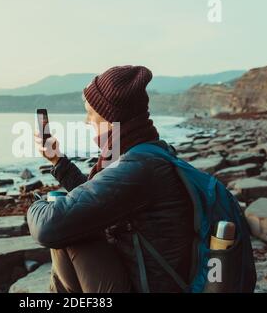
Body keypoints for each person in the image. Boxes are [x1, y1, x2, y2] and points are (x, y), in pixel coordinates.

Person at [27, 65, 194, 293]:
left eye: (90, 113)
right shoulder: (147, 152)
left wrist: (36, 204)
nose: (86, 122)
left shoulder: (139, 168)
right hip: (150, 278)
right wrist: (58, 161)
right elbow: (99, 199)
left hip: (150, 287)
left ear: (111, 117)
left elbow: (48, 228)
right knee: (76, 221)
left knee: (69, 231)